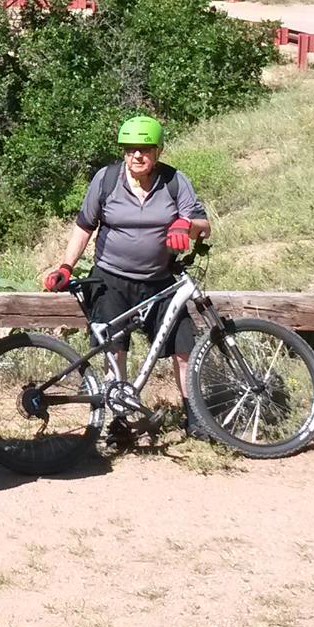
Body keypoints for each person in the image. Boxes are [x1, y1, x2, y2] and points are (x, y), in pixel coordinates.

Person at [43, 115, 213, 427]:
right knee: (114, 351)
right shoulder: (106, 180)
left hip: (160, 281)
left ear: (158, 151)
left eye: (145, 149)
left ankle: (196, 419)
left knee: (183, 349)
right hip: (111, 279)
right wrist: (66, 266)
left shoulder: (175, 182)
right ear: (123, 151)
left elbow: (205, 226)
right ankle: (117, 420)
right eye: (131, 149)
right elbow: (84, 226)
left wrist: (185, 224)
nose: (138, 155)